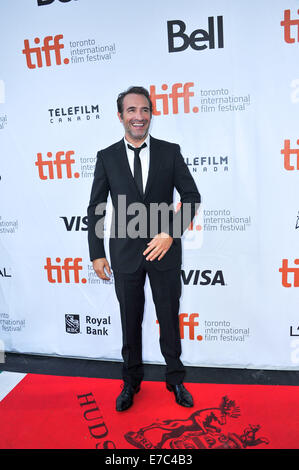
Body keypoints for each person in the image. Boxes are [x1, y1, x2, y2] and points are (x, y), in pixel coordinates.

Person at [87, 86, 201, 412]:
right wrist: (96, 252)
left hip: (164, 252)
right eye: (132, 111)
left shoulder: (169, 152)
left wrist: (171, 233)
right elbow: (96, 207)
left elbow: (191, 198)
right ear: (120, 116)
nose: (139, 117)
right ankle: (130, 381)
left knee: (168, 317)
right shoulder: (107, 157)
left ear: (151, 114)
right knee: (129, 321)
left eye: (145, 110)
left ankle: (176, 379)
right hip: (124, 254)